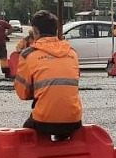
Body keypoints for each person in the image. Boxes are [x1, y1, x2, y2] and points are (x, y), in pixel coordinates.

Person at [13, 10, 82, 141]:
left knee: (25, 136)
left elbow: (22, 93)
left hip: (43, 120)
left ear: (35, 30)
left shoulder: (28, 54)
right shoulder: (72, 53)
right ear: (56, 30)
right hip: (74, 119)